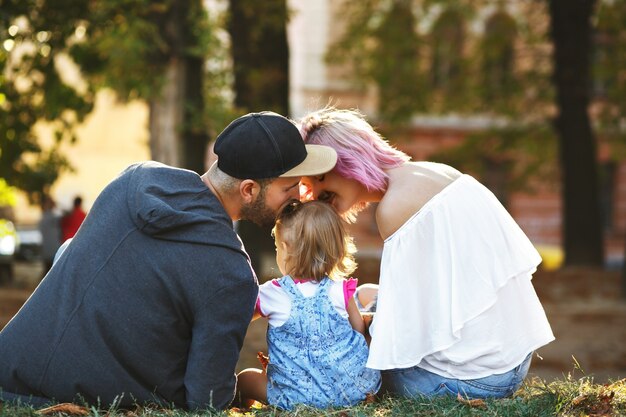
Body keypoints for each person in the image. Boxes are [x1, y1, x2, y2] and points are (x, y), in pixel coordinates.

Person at [0, 112, 337, 410]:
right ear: (248, 190)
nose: (300, 196)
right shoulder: (231, 275)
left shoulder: (134, 179)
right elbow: (207, 400)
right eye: (290, 188)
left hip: (10, 363)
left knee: (71, 247)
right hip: (59, 392)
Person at [298, 107, 554, 399]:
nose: (315, 193)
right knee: (367, 293)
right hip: (513, 363)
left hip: (468, 380)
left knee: (344, 345)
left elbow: (399, 337)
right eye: (308, 184)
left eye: (320, 177)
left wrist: (357, 324)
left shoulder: (394, 208)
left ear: (349, 160)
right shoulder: (438, 172)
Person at [235, 200, 380, 410]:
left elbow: (240, 318)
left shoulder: (273, 293)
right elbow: (358, 330)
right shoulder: (341, 290)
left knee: (245, 379)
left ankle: (242, 407)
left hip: (294, 396)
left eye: (277, 247)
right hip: (349, 392)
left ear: (284, 248)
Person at [38, 195, 62, 277]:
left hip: (52, 247)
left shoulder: (52, 217)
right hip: (51, 248)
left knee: (48, 271)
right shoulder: (51, 217)